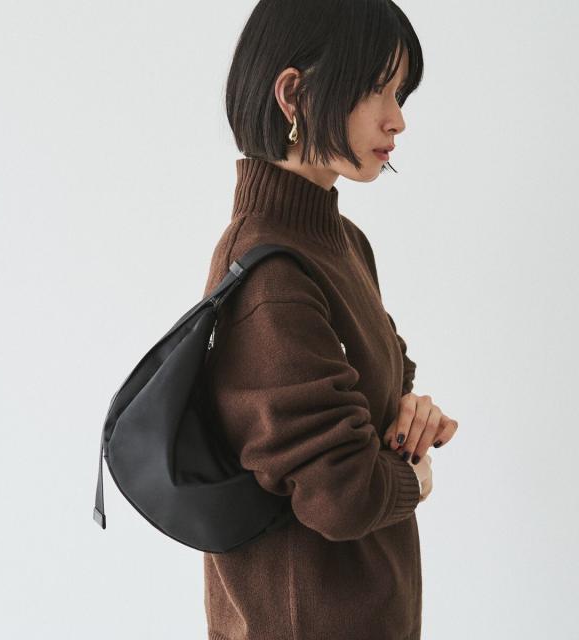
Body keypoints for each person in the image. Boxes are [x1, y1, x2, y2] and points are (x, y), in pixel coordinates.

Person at [201, 1, 459, 638]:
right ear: (293, 94)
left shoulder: (338, 241)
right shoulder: (269, 273)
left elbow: (383, 387)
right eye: (376, 89)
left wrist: (412, 415)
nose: (397, 119)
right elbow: (340, 495)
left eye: (400, 92)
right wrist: (413, 478)